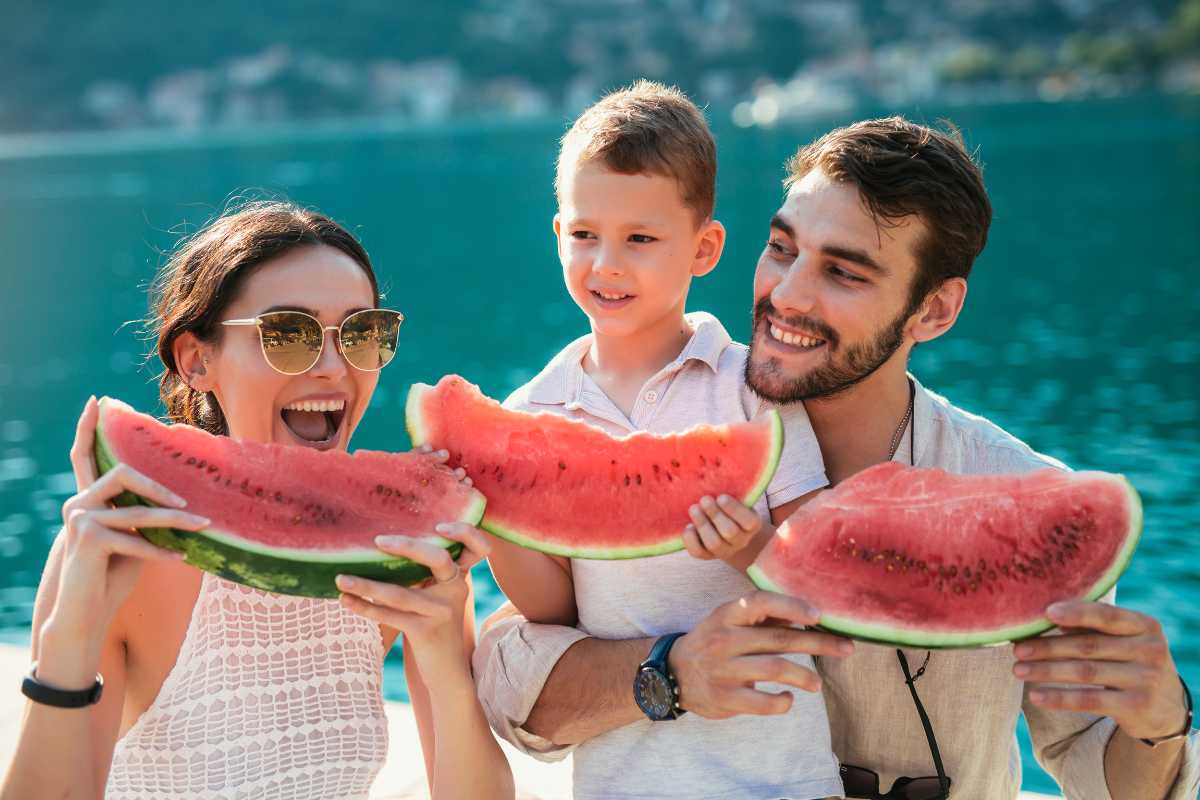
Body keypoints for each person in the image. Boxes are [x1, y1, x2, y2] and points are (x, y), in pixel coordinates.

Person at [473, 118, 1199, 799]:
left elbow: (1101, 771)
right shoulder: (677, 426)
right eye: (782, 249)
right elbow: (521, 676)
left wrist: (1164, 721)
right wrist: (665, 673)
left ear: (935, 311)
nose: (786, 296)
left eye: (844, 274)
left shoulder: (1023, 499)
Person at [1, 201, 514, 800]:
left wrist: (447, 665)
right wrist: (71, 636)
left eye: (361, 334)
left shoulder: (404, 553)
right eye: (288, 334)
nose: (331, 367)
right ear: (198, 360)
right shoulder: (127, 541)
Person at [480, 80, 845, 799]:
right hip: (626, 780)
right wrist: (497, 516)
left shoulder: (753, 387)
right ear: (558, 235)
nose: (606, 264)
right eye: (584, 235)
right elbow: (553, 612)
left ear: (704, 248)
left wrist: (749, 545)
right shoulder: (530, 415)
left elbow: (821, 576)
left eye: (640, 239)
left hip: (781, 782)